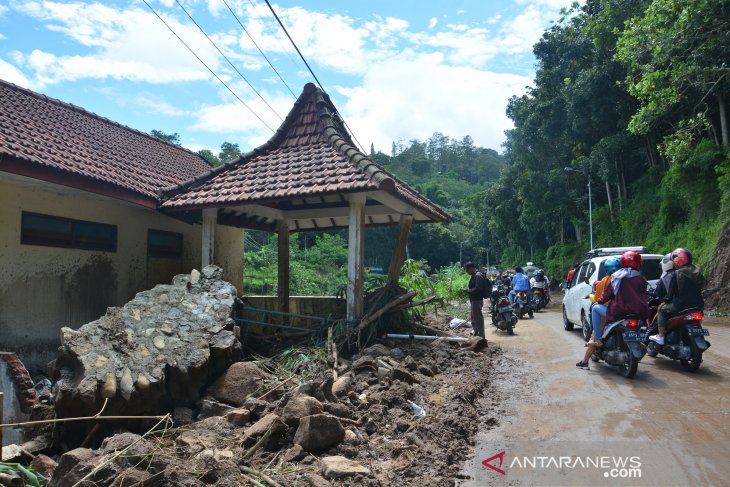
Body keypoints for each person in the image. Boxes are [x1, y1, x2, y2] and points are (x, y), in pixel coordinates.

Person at [577, 251, 648, 369]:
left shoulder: (615, 277)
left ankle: (596, 342)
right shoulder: (641, 278)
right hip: (637, 313)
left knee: (595, 310)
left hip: (618, 312)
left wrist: (598, 301)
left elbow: (606, 295)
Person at [649, 248, 704, 346]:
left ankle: (661, 336)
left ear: (680, 259)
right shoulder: (697, 272)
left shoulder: (677, 273)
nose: (674, 261)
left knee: (661, 310)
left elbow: (670, 295)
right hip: (697, 306)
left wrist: (664, 302)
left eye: (675, 258)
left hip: (681, 306)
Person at [586, 257, 621, 346]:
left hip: (613, 311)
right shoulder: (628, 278)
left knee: (594, 308)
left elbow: (599, 298)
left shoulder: (607, 280)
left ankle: (596, 339)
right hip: (631, 310)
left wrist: (596, 299)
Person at [461, 262, 487, 338]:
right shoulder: (474, 276)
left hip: (477, 300)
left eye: (467, 270)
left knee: (478, 319)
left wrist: (467, 290)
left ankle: (481, 337)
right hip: (474, 300)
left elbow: (478, 289)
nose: (467, 272)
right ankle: (476, 335)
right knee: (474, 319)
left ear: (471, 268)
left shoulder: (478, 276)